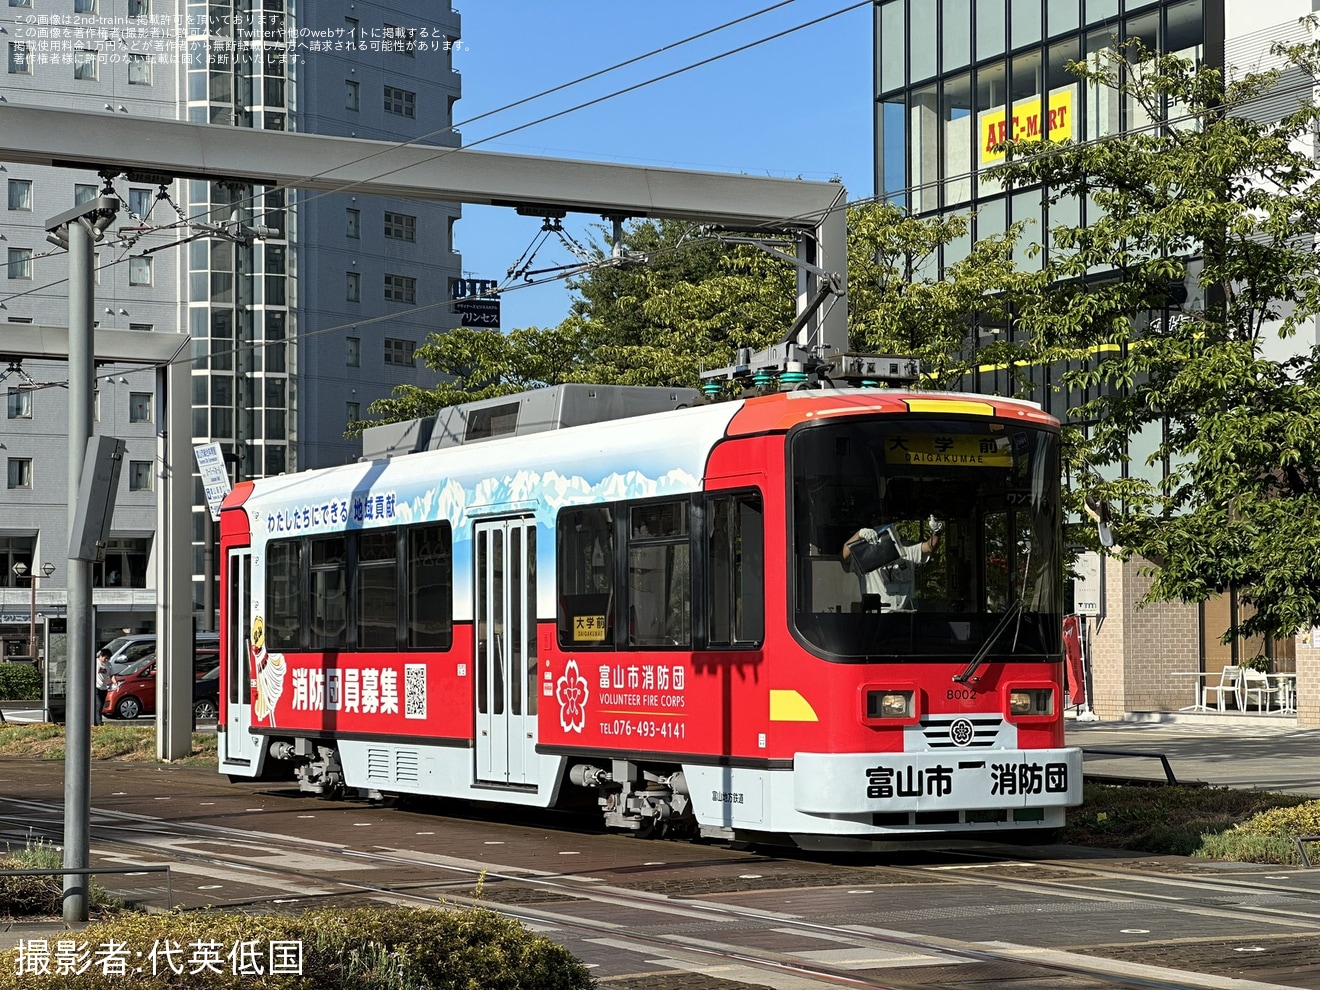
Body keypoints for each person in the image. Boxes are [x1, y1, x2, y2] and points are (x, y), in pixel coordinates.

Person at [842, 514, 944, 612]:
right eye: (879, 523)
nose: (884, 528)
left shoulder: (906, 550)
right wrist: (859, 534)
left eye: (887, 522)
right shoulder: (865, 557)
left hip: (905, 614)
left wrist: (937, 532)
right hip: (879, 615)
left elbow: (929, 547)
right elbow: (844, 557)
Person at [93, 647, 111, 726]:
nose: (106, 660)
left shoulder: (108, 665)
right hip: (96, 687)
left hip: (104, 688)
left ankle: (97, 721)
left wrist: (115, 682)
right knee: (99, 705)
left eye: (108, 658)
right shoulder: (95, 662)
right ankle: (99, 722)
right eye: (105, 658)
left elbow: (111, 675)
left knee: (101, 706)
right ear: (101, 655)